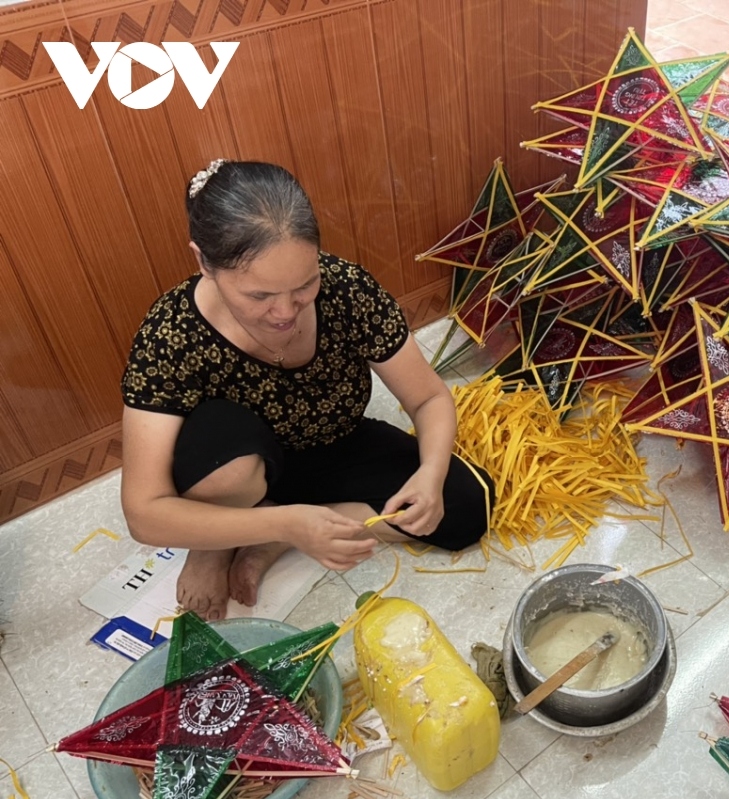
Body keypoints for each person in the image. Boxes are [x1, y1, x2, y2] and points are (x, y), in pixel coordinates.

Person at [120, 159, 493, 621]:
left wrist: (431, 476)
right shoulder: (171, 331)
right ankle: (216, 544)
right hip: (232, 466)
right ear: (203, 262)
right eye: (258, 296)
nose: (284, 313)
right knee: (226, 463)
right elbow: (143, 512)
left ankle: (267, 538)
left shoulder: (346, 290)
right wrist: (289, 521)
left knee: (465, 506)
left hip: (332, 443)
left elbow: (429, 398)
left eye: (304, 286)